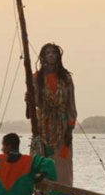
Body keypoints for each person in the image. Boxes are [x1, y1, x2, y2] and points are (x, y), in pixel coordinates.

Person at [30, 43, 77, 186]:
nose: (51, 55)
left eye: (54, 53)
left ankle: (64, 192)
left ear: (58, 56)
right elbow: (35, 103)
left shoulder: (65, 78)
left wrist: (70, 128)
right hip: (43, 125)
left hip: (62, 126)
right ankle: (42, 192)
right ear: (43, 57)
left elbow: (71, 104)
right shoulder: (36, 77)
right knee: (42, 158)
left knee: (62, 160)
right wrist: (29, 99)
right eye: (48, 53)